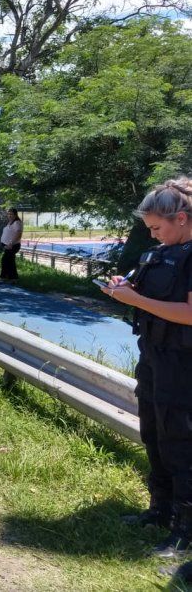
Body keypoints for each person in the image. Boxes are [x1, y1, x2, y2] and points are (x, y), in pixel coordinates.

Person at [103, 177, 192, 559]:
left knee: (181, 443)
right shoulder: (162, 253)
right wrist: (124, 288)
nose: (153, 236)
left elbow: (189, 314)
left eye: (157, 228)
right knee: (153, 433)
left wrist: (134, 300)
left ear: (183, 219)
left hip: (184, 365)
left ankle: (184, 529)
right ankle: (159, 510)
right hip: (154, 357)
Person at [0, 208, 23, 281]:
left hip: (12, 245)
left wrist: (11, 243)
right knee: (10, 261)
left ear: (15, 215)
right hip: (7, 245)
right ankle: (12, 277)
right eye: (8, 214)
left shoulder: (17, 222)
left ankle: (3, 277)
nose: (9, 215)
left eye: (11, 214)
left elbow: (18, 234)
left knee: (5, 260)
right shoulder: (10, 222)